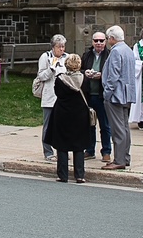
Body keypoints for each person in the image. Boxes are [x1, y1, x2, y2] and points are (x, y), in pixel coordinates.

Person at [44, 53, 89, 182]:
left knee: (61, 144)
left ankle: (62, 175)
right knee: (79, 145)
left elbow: (57, 93)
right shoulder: (84, 79)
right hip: (80, 114)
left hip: (62, 113)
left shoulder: (60, 79)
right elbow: (88, 94)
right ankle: (79, 175)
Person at [101, 25, 136, 170]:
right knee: (125, 127)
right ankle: (125, 157)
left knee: (118, 129)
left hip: (117, 94)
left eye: (108, 38)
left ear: (112, 38)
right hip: (127, 93)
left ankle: (119, 159)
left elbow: (113, 75)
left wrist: (107, 93)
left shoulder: (116, 51)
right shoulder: (128, 49)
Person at [81, 31, 112, 161]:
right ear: (92, 42)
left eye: (101, 41)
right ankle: (89, 149)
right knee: (89, 124)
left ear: (105, 42)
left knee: (105, 125)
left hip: (101, 95)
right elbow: (79, 70)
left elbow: (112, 73)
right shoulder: (87, 55)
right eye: (96, 41)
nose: (98, 43)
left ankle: (106, 151)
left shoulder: (109, 55)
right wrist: (85, 73)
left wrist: (102, 76)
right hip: (88, 95)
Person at [36, 34, 67, 160]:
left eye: (63, 47)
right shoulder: (46, 57)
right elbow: (41, 76)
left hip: (63, 98)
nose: (61, 49)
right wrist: (51, 69)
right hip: (49, 97)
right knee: (48, 126)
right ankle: (48, 152)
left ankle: (62, 151)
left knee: (63, 125)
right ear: (53, 47)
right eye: (59, 47)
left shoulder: (67, 57)